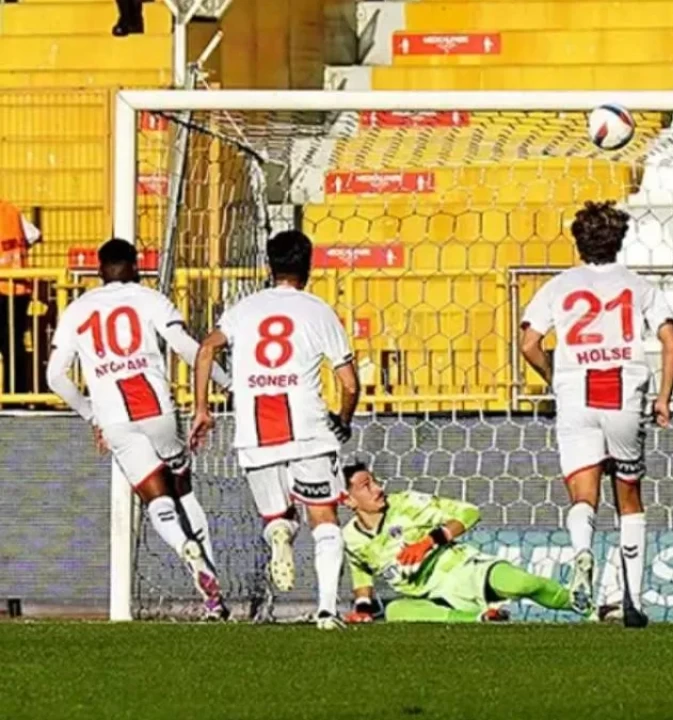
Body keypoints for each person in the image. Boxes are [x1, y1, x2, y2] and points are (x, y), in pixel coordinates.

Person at [46, 239, 231, 619]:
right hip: (155, 407)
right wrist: (227, 383)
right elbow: (184, 346)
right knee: (180, 488)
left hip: (114, 417)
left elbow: (54, 377)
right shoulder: (150, 299)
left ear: (100, 270)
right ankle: (211, 583)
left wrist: (90, 415)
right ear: (135, 266)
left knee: (155, 499)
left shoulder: (78, 309)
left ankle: (186, 550)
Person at [519, 201, 673, 628]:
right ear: (619, 240)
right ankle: (630, 599)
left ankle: (581, 555)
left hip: (576, 390)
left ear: (578, 242)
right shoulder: (639, 286)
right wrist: (663, 398)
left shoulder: (558, 285)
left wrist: (554, 374)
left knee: (582, 494)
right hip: (623, 390)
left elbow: (528, 343)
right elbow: (672, 344)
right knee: (628, 496)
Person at [189, 230, 360, 630]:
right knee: (324, 518)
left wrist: (201, 409)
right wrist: (345, 419)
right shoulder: (318, 310)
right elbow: (349, 383)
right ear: (309, 266)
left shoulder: (243, 309)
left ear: (270, 265)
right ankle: (326, 611)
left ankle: (280, 533)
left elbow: (205, 349)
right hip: (308, 427)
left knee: (277, 518)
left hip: (255, 431)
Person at [340, 463, 591, 623]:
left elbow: (469, 512)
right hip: (432, 597)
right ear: (348, 501)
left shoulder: (407, 504)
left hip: (463, 569)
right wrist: (363, 608)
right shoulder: (350, 538)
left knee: (521, 583)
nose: (378, 488)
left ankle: (586, 606)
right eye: (366, 485)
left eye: (375, 480)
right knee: (395, 612)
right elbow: (361, 572)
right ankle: (479, 618)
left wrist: (428, 542)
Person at [0, 201, 42, 396]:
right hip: (18, 288)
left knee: (11, 345)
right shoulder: (11, 211)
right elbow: (34, 235)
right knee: (13, 344)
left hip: (4, 288)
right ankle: (16, 393)